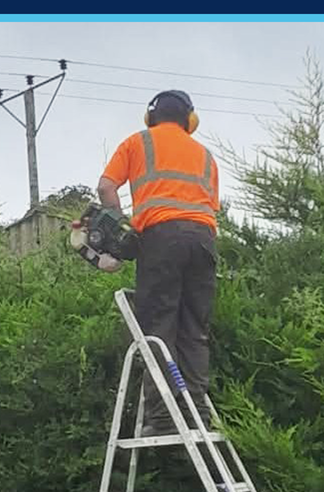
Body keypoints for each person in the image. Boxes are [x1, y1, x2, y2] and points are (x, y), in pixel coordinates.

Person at [97, 90, 220, 437]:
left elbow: (107, 188)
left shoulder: (138, 142)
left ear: (151, 117)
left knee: (158, 326)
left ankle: (164, 418)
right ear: (190, 121)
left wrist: (120, 231)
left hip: (161, 238)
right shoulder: (206, 157)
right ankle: (197, 413)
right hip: (204, 239)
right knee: (194, 329)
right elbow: (209, 207)